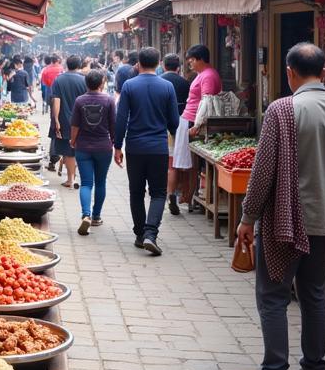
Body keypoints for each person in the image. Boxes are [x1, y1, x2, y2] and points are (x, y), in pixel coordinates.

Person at [236, 42, 325, 370]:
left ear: (289, 73)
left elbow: (263, 171)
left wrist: (247, 216)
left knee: (272, 296)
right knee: (314, 294)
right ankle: (315, 369)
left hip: (285, 219)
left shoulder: (281, 110)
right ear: (324, 71)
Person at [113, 47, 180, 256]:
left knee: (136, 192)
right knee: (158, 193)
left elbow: (121, 118)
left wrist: (117, 146)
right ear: (159, 62)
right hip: (158, 147)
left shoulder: (129, 86)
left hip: (134, 147)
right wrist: (169, 130)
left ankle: (140, 235)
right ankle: (151, 233)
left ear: (138, 64)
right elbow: (174, 122)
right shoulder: (167, 86)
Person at [169, 44, 222, 215]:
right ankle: (184, 196)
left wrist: (197, 126)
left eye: (191, 60)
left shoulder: (208, 76)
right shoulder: (203, 75)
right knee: (186, 162)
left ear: (200, 58)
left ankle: (186, 195)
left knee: (191, 163)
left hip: (193, 121)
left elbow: (207, 103)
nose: (190, 63)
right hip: (188, 119)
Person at [70, 68, 116, 236]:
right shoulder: (109, 100)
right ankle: (96, 216)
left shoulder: (79, 101)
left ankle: (86, 215)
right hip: (104, 147)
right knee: (101, 182)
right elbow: (113, 126)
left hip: (83, 147)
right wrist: (115, 144)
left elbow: (75, 125)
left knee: (86, 183)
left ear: (86, 83)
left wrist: (73, 141)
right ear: (102, 83)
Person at [50, 56, 88, 188]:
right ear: (79, 65)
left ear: (67, 65)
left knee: (68, 150)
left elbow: (56, 100)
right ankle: (76, 176)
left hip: (65, 120)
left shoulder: (59, 79)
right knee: (78, 148)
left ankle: (71, 179)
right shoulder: (84, 80)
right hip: (82, 120)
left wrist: (56, 120)